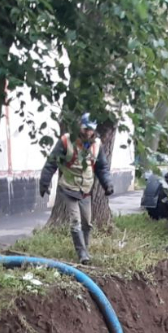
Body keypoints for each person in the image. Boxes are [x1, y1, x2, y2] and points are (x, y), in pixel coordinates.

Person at [39, 113, 114, 265]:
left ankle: (85, 249)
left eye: (90, 130)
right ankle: (82, 255)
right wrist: (44, 183)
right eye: (85, 128)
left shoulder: (97, 145)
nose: (88, 132)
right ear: (80, 126)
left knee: (87, 223)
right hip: (68, 188)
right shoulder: (66, 141)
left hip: (85, 190)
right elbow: (51, 162)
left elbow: (102, 167)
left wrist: (107, 184)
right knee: (76, 222)